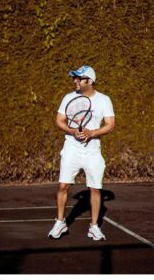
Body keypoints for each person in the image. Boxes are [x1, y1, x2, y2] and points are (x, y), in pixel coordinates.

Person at [48, 66, 115, 240]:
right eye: (74, 78)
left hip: (93, 152)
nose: (75, 81)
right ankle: (60, 223)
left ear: (90, 81)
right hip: (71, 150)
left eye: (79, 78)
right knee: (63, 186)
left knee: (95, 189)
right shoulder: (69, 97)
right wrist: (72, 131)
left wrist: (92, 133)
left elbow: (110, 124)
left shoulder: (104, 100)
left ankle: (94, 227)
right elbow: (59, 120)